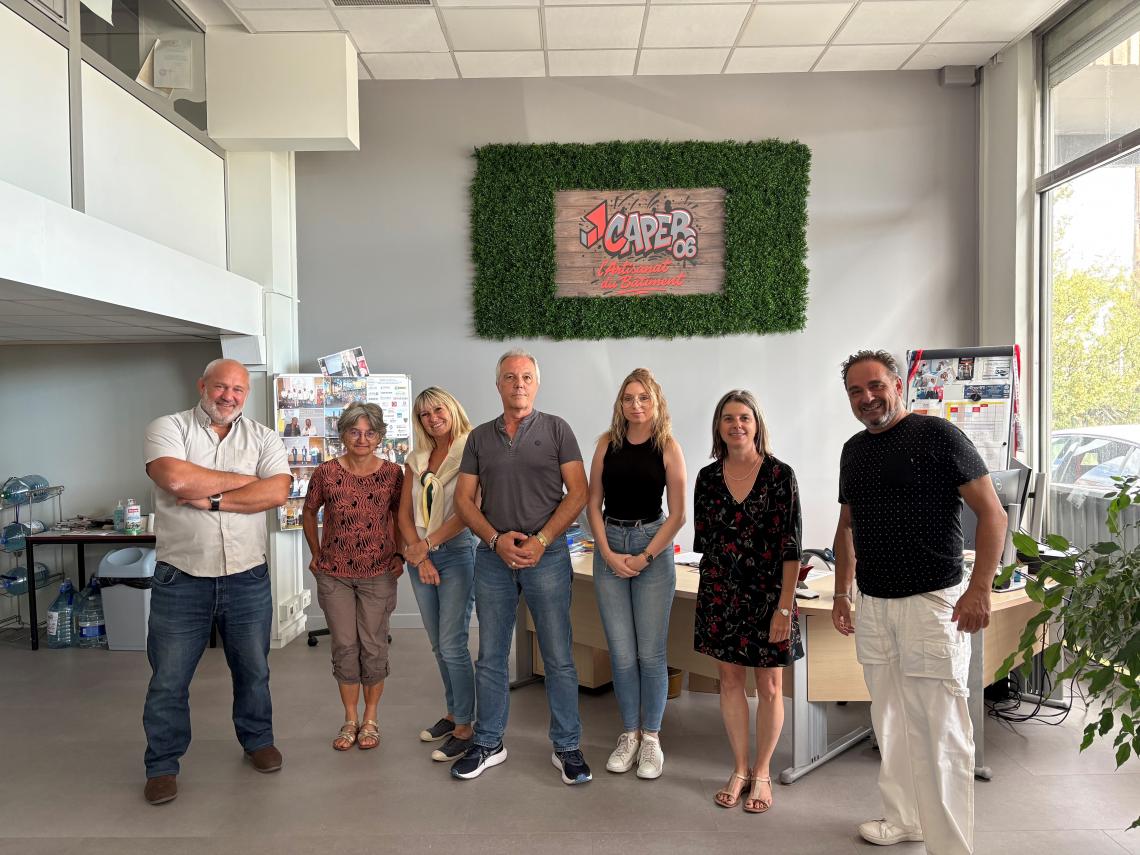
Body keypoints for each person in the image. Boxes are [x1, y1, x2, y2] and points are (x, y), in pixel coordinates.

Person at [831, 350, 1006, 853]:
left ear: (897, 384)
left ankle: (949, 846)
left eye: (875, 386)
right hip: (874, 603)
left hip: (931, 602)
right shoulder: (852, 451)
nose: (867, 398)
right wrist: (842, 592)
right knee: (889, 721)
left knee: (940, 729)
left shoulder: (938, 436)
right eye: (855, 391)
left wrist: (979, 589)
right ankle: (904, 819)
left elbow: (993, 514)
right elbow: (846, 528)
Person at [141, 358, 293, 806]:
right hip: (181, 577)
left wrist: (208, 499)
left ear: (247, 394)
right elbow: (175, 478)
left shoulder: (263, 437)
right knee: (169, 678)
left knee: (254, 670)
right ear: (202, 385)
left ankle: (258, 741)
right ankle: (162, 765)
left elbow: (277, 492)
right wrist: (246, 483)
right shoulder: (168, 428)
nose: (229, 396)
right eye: (221, 387)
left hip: (247, 575)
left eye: (238, 389)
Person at [451, 349, 591, 784]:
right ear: (498, 385)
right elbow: (463, 500)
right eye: (510, 377)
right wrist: (495, 540)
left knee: (558, 656)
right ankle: (488, 742)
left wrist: (542, 540)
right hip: (493, 559)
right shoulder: (479, 438)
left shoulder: (557, 429)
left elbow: (579, 492)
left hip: (546, 557)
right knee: (491, 656)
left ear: (537, 383)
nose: (519, 384)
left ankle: (567, 747)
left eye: (526, 377)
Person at [693, 390, 802, 814]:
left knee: (770, 685)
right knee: (729, 681)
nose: (736, 425)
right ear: (718, 427)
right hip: (721, 593)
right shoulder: (707, 477)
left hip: (769, 596)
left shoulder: (780, 475)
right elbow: (706, 543)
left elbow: (791, 548)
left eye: (744, 417)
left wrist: (784, 608)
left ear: (757, 424)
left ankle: (763, 772)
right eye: (728, 418)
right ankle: (740, 769)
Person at [585, 368, 686, 780]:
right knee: (622, 655)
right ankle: (629, 733)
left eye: (643, 397)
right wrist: (607, 554)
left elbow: (678, 515)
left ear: (656, 401)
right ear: (620, 404)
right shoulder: (606, 444)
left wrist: (644, 557)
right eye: (628, 398)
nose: (636, 404)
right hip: (610, 543)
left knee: (651, 654)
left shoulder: (668, 447)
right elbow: (592, 504)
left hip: (652, 548)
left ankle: (652, 739)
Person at [302, 402, 404, 753]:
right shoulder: (326, 472)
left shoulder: (393, 474)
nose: (362, 439)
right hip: (335, 574)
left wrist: (400, 553)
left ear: (379, 436)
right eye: (355, 432)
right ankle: (350, 718)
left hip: (379, 571)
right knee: (345, 645)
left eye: (370, 433)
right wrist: (316, 552)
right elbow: (309, 512)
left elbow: (400, 517)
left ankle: (371, 718)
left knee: (373, 646)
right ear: (343, 434)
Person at [397, 387, 477, 763]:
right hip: (420, 558)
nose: (433, 418)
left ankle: (465, 728)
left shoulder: (471, 449)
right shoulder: (416, 459)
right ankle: (453, 712)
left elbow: (468, 511)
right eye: (425, 414)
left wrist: (427, 547)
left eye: (438, 409)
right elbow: (403, 514)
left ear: (452, 408)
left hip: (457, 554)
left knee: (452, 643)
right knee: (437, 644)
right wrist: (419, 554)